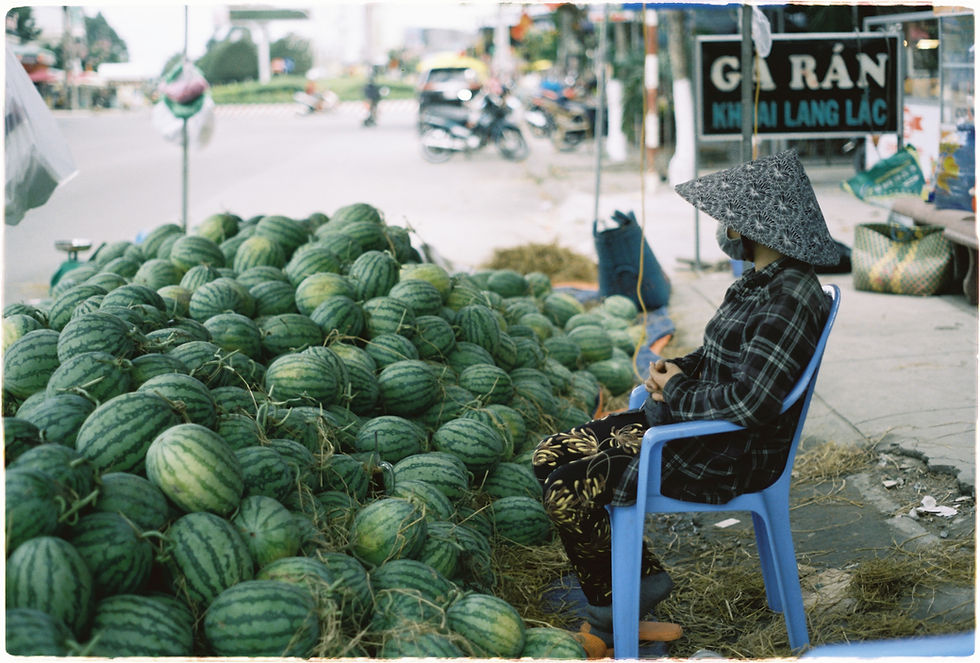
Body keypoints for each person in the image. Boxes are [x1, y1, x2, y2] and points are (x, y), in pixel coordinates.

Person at [531, 149, 840, 645]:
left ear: (752, 226)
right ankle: (638, 584)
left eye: (730, 220)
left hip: (722, 454)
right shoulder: (760, 283)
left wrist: (675, 390)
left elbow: (749, 404)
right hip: (691, 432)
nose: (724, 229)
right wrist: (677, 369)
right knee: (550, 455)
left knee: (568, 491)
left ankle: (616, 615)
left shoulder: (788, 298)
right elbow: (720, 356)